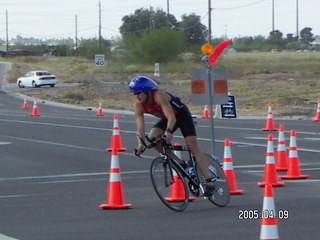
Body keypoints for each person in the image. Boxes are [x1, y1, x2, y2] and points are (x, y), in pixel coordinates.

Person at [129, 76, 216, 197]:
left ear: (147, 90)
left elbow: (171, 117)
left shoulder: (158, 95)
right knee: (153, 137)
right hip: (167, 119)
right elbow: (140, 129)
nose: (136, 96)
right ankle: (182, 163)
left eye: (138, 93)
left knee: (192, 145)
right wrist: (140, 145)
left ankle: (209, 180)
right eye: (134, 94)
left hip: (180, 116)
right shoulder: (138, 105)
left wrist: (168, 131)